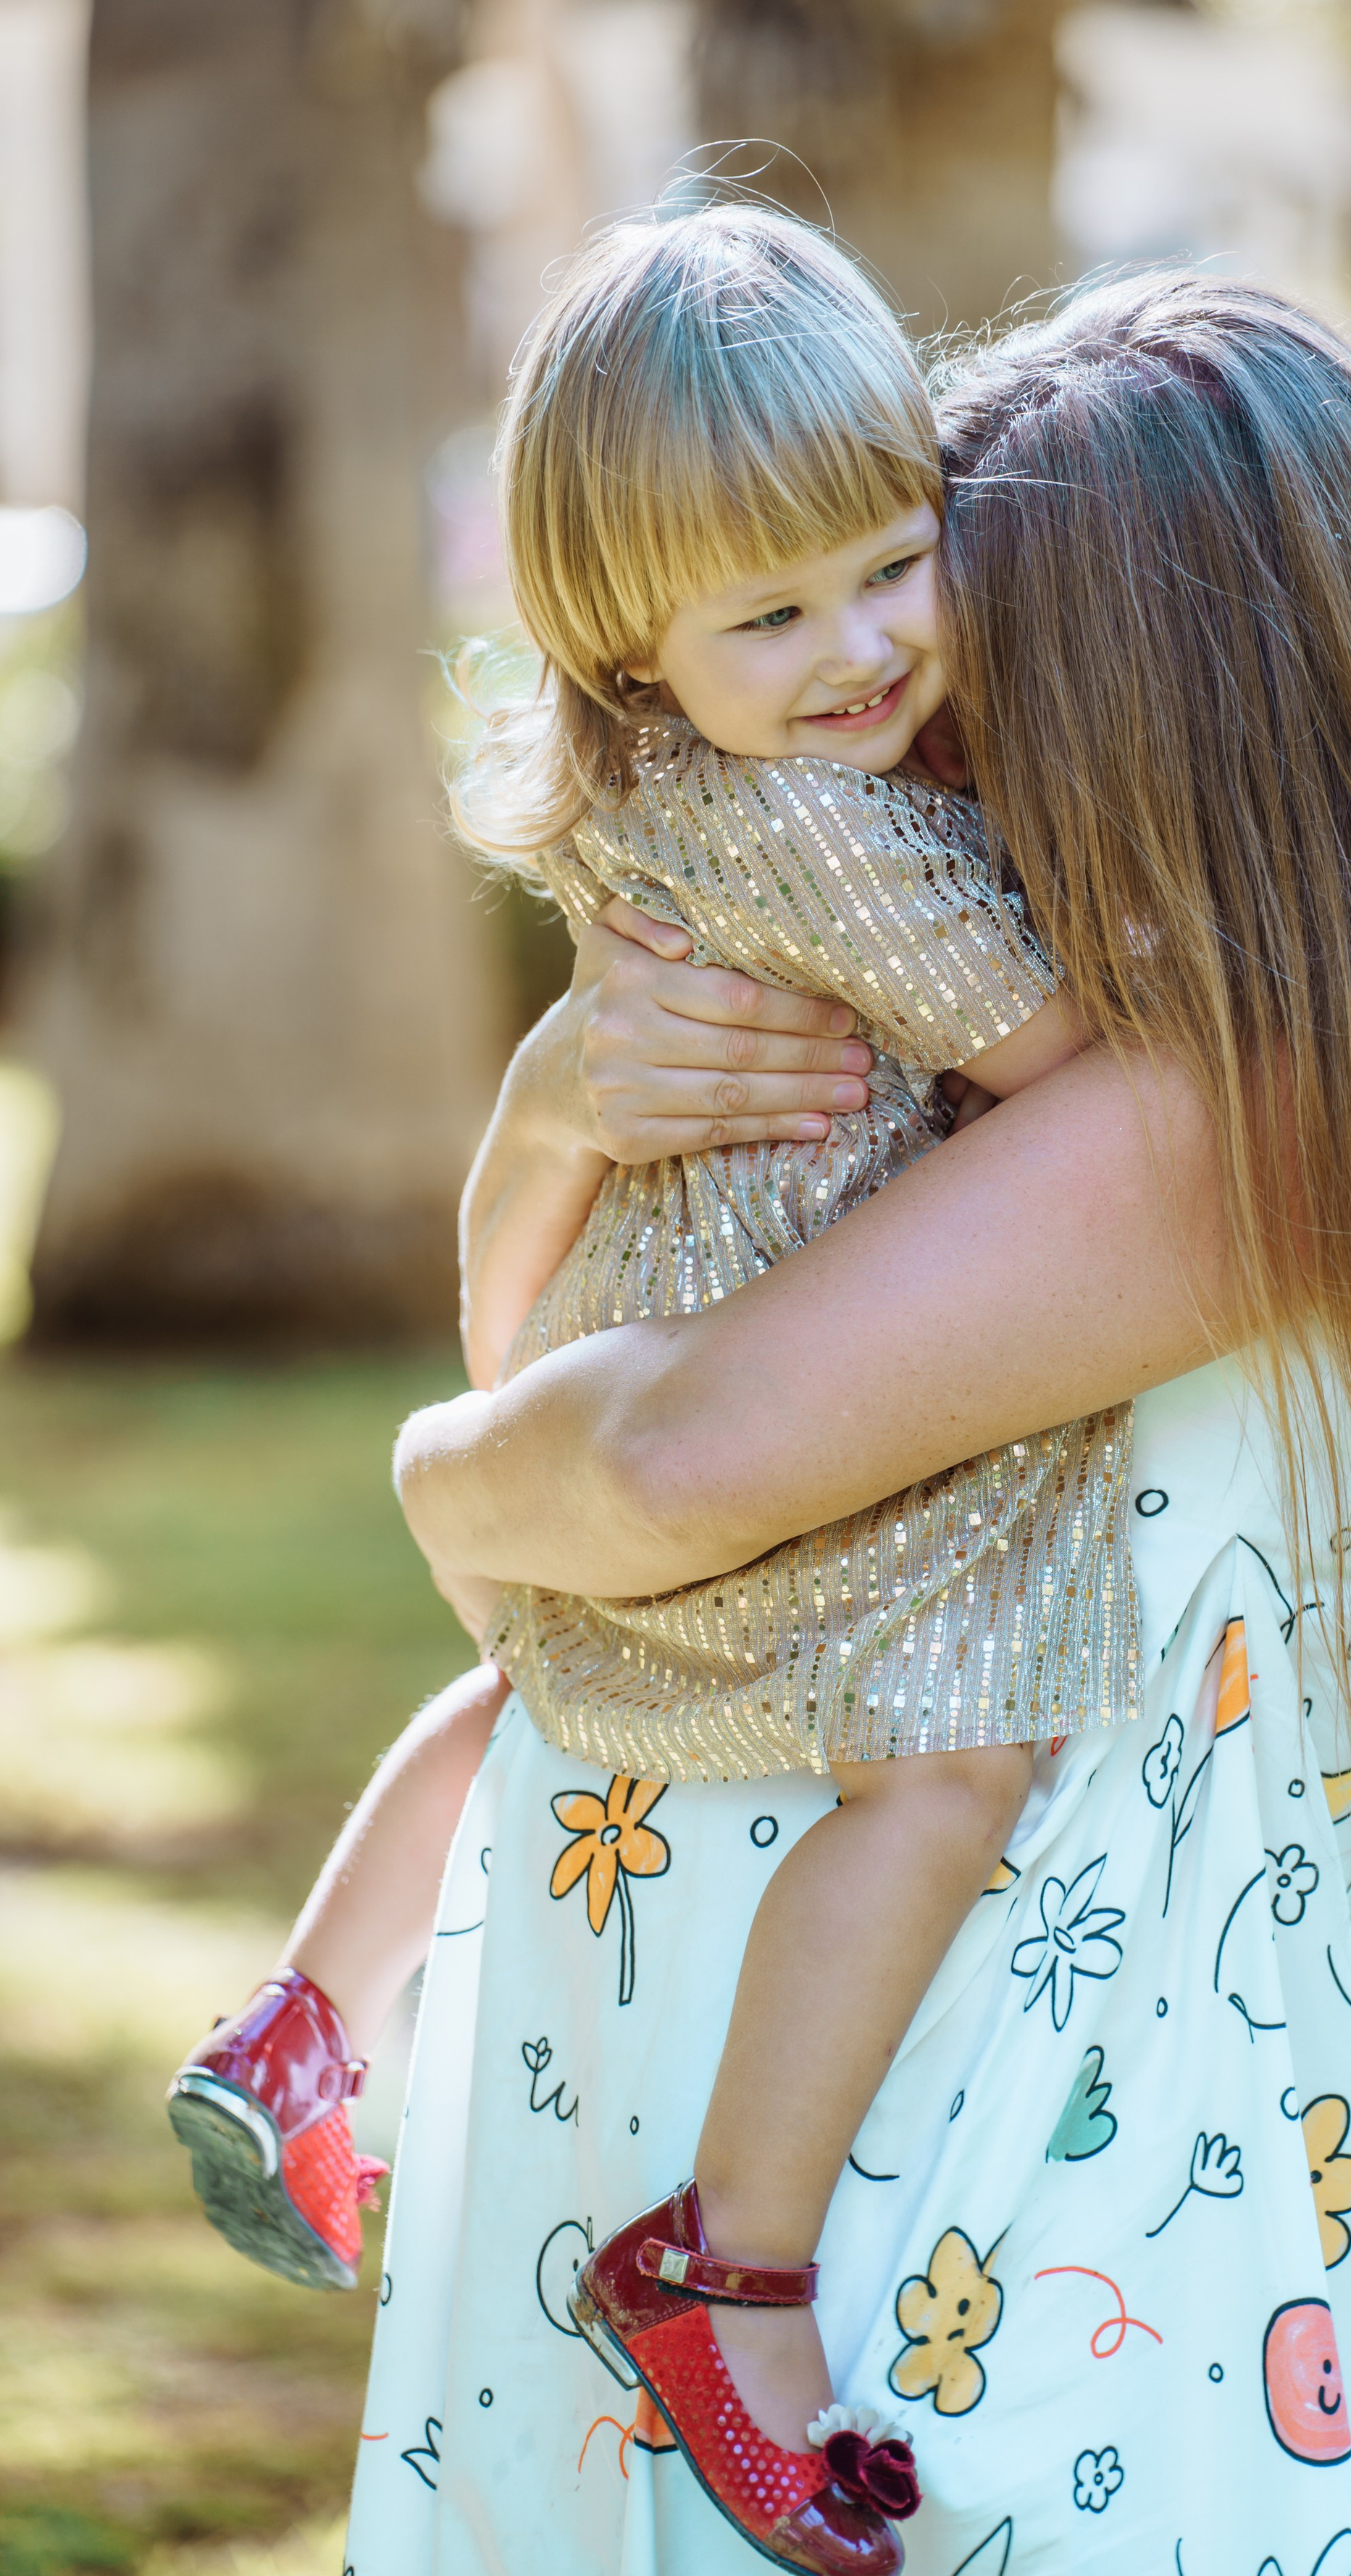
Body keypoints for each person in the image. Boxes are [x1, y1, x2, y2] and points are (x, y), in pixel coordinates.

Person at [351, 270, 1351, 2575]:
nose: (909, 741)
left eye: (962, 659)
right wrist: (551, 1115)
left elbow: (633, 1470)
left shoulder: (1234, 1123)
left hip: (1000, 2204)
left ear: (1171, 701)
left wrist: (439, 1472)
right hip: (1047, 2149)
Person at [170, 208, 1147, 2572]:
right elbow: (1084, 1078)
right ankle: (737, 2265)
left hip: (642, 1346)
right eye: (769, 615)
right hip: (769, 1402)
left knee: (534, 1664)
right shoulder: (847, 833)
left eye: (891, 565)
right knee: (949, 1767)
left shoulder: (664, 796)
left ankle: (310, 2014)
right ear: (629, 640)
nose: (860, 652)